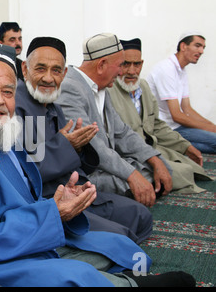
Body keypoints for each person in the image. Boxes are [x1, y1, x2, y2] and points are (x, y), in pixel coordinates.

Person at [0, 42, 195, 287]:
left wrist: (61, 203)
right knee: (75, 277)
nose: (0, 101)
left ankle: (120, 277)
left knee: (121, 246)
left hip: (25, 235)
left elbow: (25, 197)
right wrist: (53, 213)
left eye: (7, 91)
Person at [16, 36, 152, 244]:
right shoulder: (17, 105)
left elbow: (77, 158)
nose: (48, 78)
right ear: (25, 69)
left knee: (140, 216)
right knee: (121, 238)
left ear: (65, 73)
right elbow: (28, 171)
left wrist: (78, 148)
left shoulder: (52, 104)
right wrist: (67, 146)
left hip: (75, 188)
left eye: (56, 70)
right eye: (40, 69)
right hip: (47, 201)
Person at [57, 33, 173, 208]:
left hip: (108, 167)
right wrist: (132, 175)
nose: (121, 72)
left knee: (162, 167)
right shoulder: (70, 88)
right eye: (120, 65)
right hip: (87, 173)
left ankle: (137, 186)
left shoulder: (103, 87)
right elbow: (94, 146)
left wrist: (154, 159)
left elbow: (122, 132)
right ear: (102, 64)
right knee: (136, 178)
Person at [109, 38, 213, 194]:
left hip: (153, 146)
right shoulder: (110, 91)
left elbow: (156, 125)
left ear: (142, 64)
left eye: (136, 64)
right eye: (125, 64)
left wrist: (185, 146)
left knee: (191, 166)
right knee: (180, 172)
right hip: (131, 154)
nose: (131, 71)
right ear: (117, 65)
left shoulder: (142, 86)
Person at [147, 31, 216, 154]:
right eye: (197, 46)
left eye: (203, 47)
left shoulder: (181, 70)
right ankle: (172, 144)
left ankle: (176, 146)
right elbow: (177, 115)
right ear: (183, 46)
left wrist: (211, 126)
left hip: (177, 127)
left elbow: (187, 109)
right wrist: (211, 128)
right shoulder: (166, 69)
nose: (201, 51)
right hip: (166, 128)